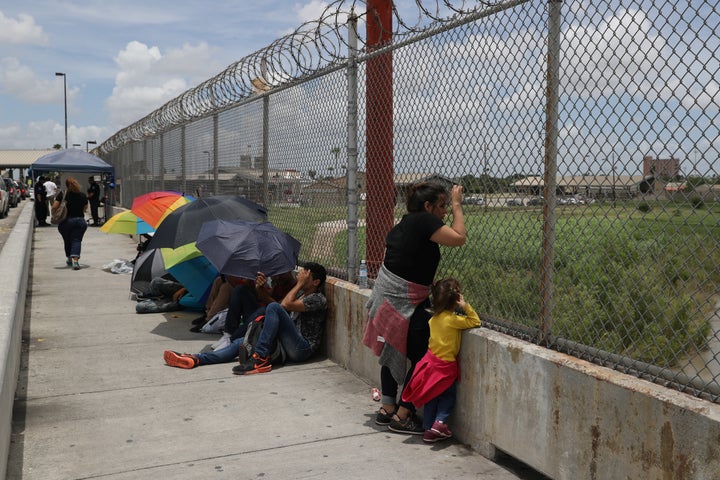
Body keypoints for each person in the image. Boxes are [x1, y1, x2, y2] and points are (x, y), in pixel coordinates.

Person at [362, 182, 466, 435]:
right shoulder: (423, 221)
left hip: (387, 300)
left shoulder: (405, 223)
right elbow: (459, 238)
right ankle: (403, 414)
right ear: (427, 206)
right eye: (441, 207)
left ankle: (387, 407)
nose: (444, 213)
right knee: (422, 359)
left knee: (391, 349)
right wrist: (457, 204)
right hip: (406, 302)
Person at [400, 278, 481, 443]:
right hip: (445, 367)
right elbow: (475, 321)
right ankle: (440, 422)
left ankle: (428, 429)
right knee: (447, 397)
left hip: (430, 364)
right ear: (455, 300)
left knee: (432, 396)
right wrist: (465, 306)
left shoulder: (433, 319)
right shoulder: (453, 320)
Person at [164, 270, 299, 368]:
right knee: (240, 290)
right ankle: (201, 353)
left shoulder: (295, 288)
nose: (278, 276)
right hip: (257, 322)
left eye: (282, 274)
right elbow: (261, 298)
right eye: (277, 273)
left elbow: (278, 308)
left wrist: (263, 291)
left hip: (267, 325)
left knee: (261, 315)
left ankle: (199, 356)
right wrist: (257, 286)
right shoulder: (276, 282)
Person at [233, 262, 327, 375]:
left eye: (305, 275)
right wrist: (260, 288)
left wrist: (299, 284)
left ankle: (261, 358)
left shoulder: (318, 299)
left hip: (302, 349)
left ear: (316, 282)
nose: (301, 276)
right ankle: (206, 358)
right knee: (242, 341)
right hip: (289, 342)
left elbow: (283, 306)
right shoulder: (301, 293)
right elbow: (281, 306)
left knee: (272, 307)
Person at [53, 177, 89, 270]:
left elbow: (54, 206)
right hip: (80, 221)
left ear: (66, 185)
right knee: (76, 240)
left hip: (66, 222)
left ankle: (69, 258)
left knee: (67, 240)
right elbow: (85, 208)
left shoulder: (63, 194)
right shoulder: (82, 195)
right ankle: (76, 262)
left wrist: (55, 215)